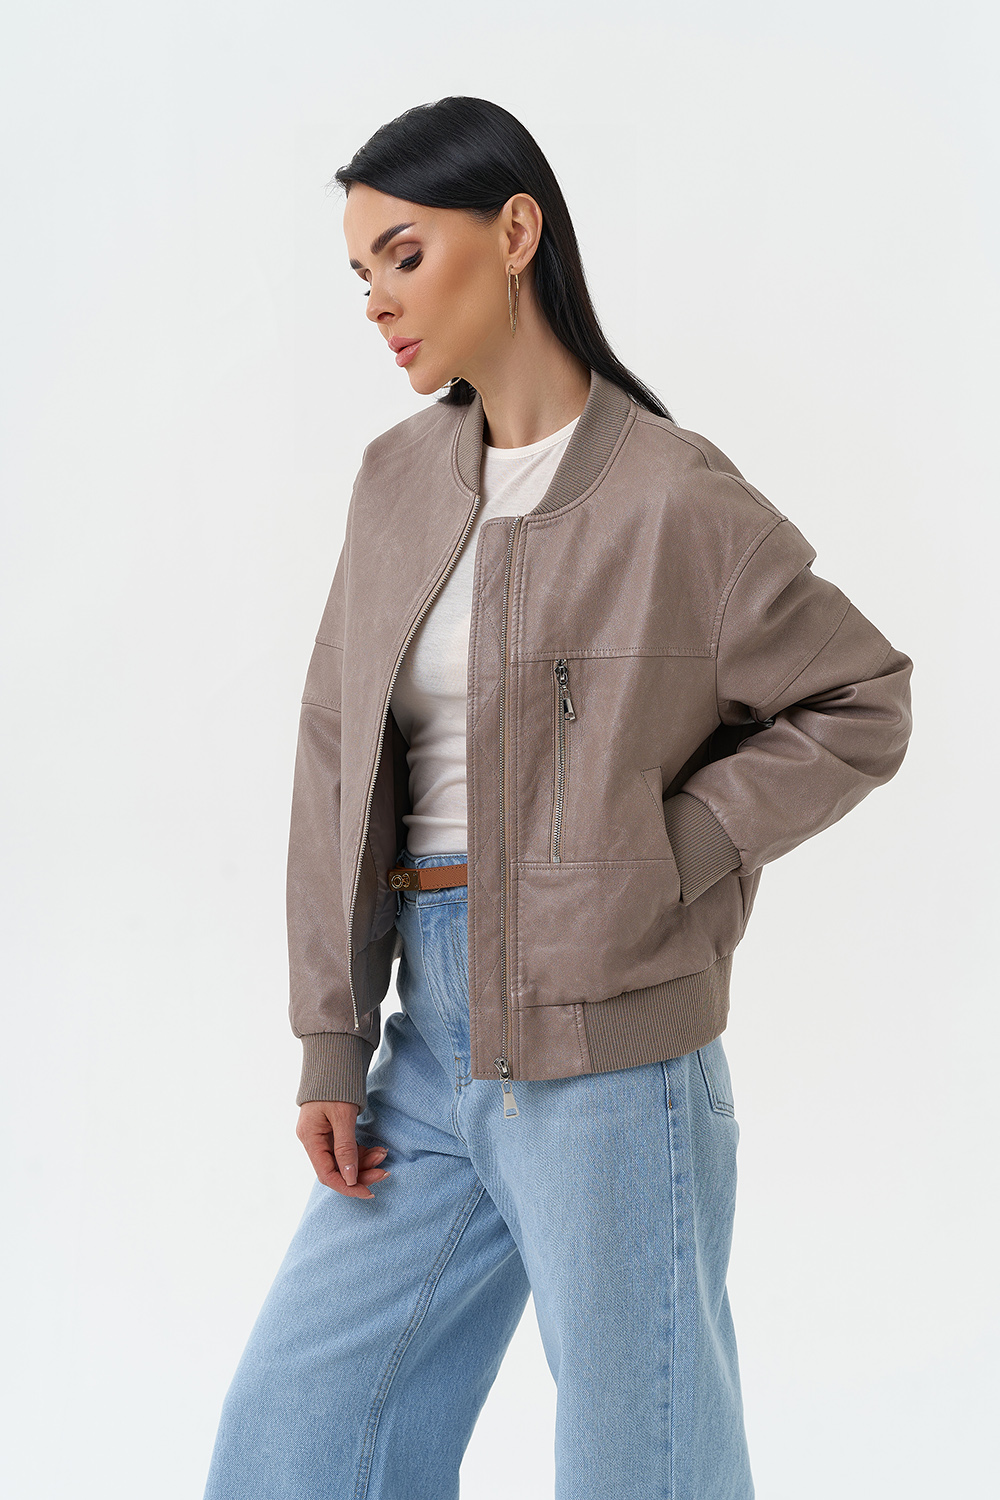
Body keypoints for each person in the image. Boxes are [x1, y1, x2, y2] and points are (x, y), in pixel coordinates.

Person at [202, 96, 913, 1500]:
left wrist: (669, 849)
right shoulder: (395, 481)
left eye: (406, 255)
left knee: (639, 1469)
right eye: (361, 273)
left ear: (517, 232)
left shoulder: (674, 499)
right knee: (293, 1441)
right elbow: (337, 754)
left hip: (613, 1057)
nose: (377, 301)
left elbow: (862, 698)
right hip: (428, 1045)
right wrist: (334, 1038)